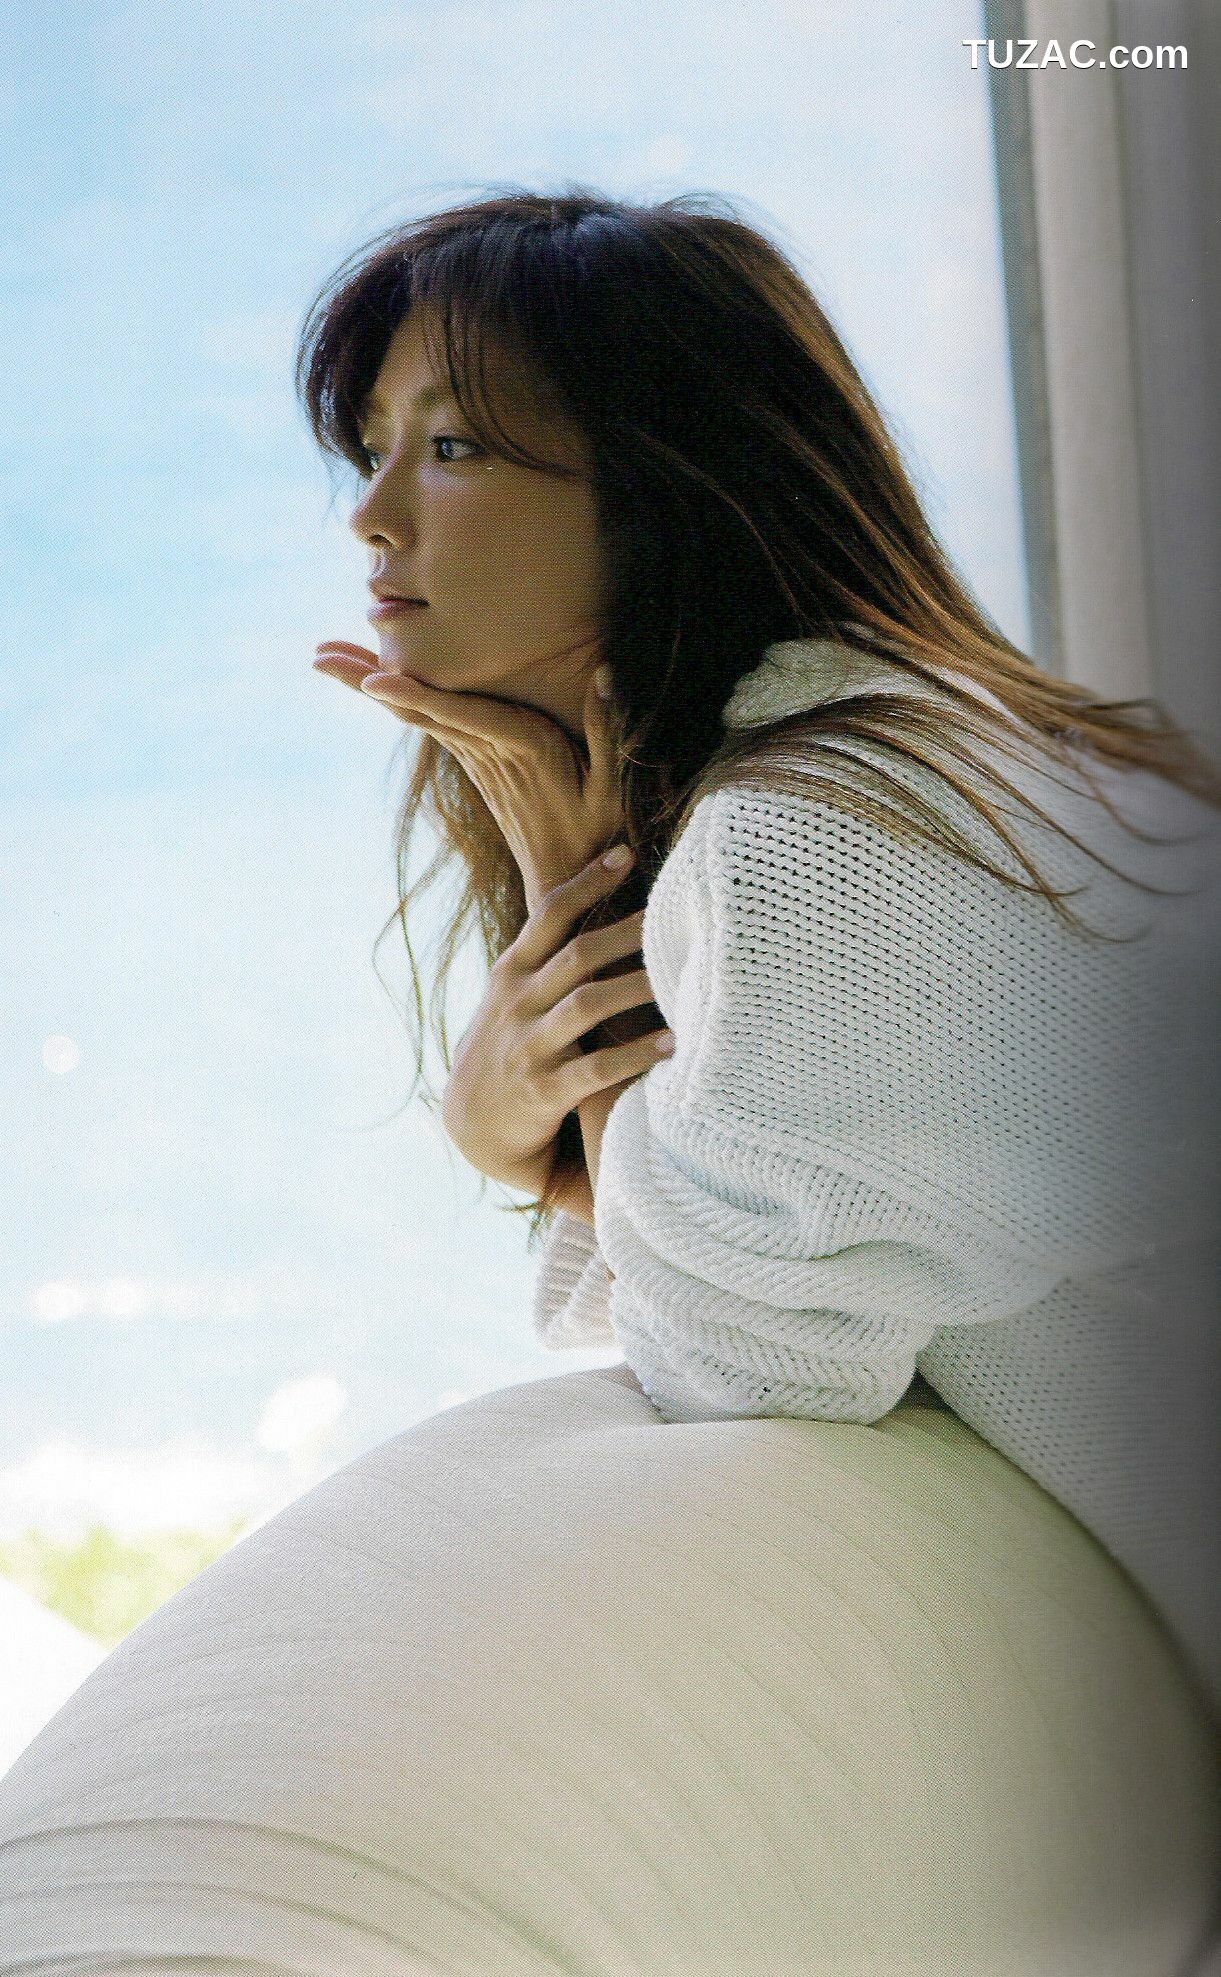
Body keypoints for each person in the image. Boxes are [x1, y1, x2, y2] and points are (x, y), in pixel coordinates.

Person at [3, 184, 1221, 1974]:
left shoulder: (810, 839)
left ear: (663, 491)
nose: (371, 514)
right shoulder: (926, 745)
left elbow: (755, 1362)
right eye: (371, 447)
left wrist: (540, 1099)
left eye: (453, 448)